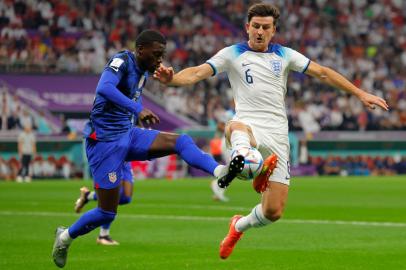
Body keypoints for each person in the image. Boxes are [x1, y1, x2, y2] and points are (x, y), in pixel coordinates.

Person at [154, 3, 389, 260]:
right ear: (247, 27)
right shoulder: (232, 54)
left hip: (278, 135)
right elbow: (198, 72)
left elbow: (322, 73)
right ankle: (244, 160)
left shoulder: (285, 55)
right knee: (236, 126)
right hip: (247, 125)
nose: (260, 31)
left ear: (273, 30)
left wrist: (359, 93)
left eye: (266, 27)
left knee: (273, 212)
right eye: (255, 26)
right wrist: (173, 79)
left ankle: (238, 225)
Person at [52, 29, 244, 268]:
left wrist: (143, 105)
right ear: (140, 50)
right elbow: (105, 88)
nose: (159, 60)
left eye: (162, 55)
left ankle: (220, 173)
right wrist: (137, 110)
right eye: (156, 54)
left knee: (181, 141)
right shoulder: (121, 60)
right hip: (104, 144)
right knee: (107, 212)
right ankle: (64, 237)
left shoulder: (145, 70)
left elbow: (136, 92)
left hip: (128, 135)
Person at [74, 162, 134, 245]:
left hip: (127, 158)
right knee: (115, 194)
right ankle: (103, 235)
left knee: (125, 198)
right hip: (114, 156)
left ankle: (87, 196)